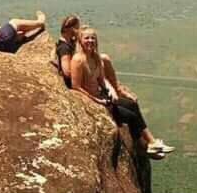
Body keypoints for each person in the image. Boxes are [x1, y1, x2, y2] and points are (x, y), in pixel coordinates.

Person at [70, 27, 173, 158]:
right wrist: (97, 100)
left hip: (103, 97)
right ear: (80, 40)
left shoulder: (95, 58)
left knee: (131, 104)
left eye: (93, 38)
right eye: (87, 38)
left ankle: (152, 142)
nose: (90, 41)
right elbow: (76, 87)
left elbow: (101, 80)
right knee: (131, 116)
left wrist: (110, 92)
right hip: (93, 101)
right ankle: (144, 148)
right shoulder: (78, 60)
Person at [55, 15, 81, 88]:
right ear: (72, 29)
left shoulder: (71, 42)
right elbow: (67, 72)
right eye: (77, 27)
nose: (79, 30)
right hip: (72, 83)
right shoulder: (64, 48)